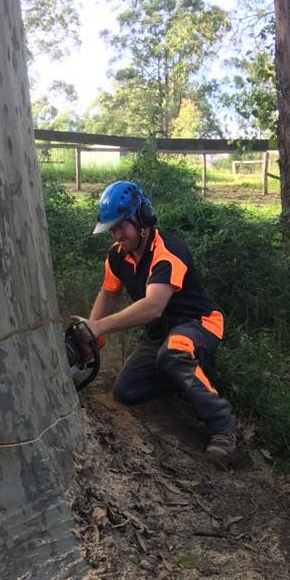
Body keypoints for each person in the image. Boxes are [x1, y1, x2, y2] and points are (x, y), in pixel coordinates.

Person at [76, 180, 236, 462]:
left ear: (142, 219)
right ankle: (184, 375)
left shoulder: (167, 253)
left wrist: (100, 327)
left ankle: (222, 425)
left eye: (121, 226)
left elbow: (152, 307)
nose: (116, 235)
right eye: (111, 229)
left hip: (198, 324)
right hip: (160, 334)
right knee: (127, 390)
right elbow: (108, 293)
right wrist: (92, 335)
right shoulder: (117, 256)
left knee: (175, 351)